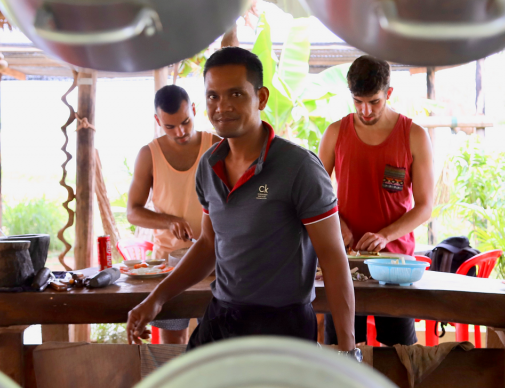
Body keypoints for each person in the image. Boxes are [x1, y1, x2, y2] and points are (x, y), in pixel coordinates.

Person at [126, 47, 357, 356]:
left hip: (282, 326)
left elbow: (332, 257)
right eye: (213, 96)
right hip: (223, 317)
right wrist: (156, 298)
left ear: (260, 97)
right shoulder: (208, 166)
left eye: (235, 94)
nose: (222, 107)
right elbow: (209, 244)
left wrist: (348, 349)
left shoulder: (299, 167)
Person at [318, 55, 435, 346]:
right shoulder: (335, 133)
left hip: (396, 265)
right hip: (344, 261)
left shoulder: (414, 136)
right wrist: (337, 223)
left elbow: (425, 206)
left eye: (374, 102)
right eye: (357, 101)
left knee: (399, 354)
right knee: (339, 350)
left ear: (389, 94)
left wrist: (385, 236)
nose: (365, 110)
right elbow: (314, 195)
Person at [126, 85, 220, 345]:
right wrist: (169, 222)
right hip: (168, 266)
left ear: (193, 110)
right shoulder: (148, 155)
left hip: (215, 264)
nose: (180, 132)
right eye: (170, 127)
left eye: (185, 122)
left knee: (215, 341)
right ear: (158, 121)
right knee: (171, 344)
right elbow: (133, 212)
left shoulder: (217, 147)